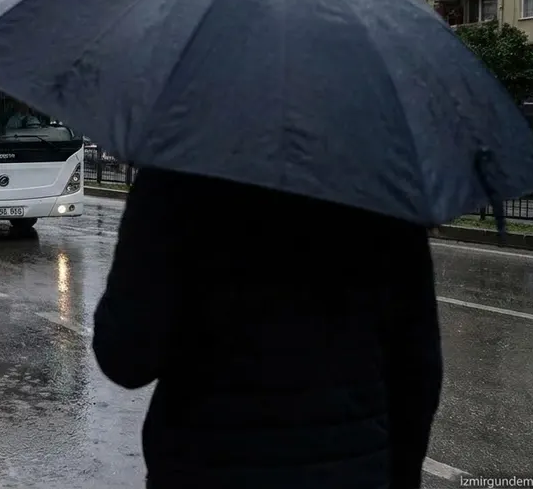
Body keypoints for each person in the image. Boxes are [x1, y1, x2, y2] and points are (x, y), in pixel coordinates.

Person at [91, 168, 442, 489]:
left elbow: (126, 356)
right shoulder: (382, 186)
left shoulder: (179, 174)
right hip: (351, 470)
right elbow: (417, 369)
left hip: (205, 466)